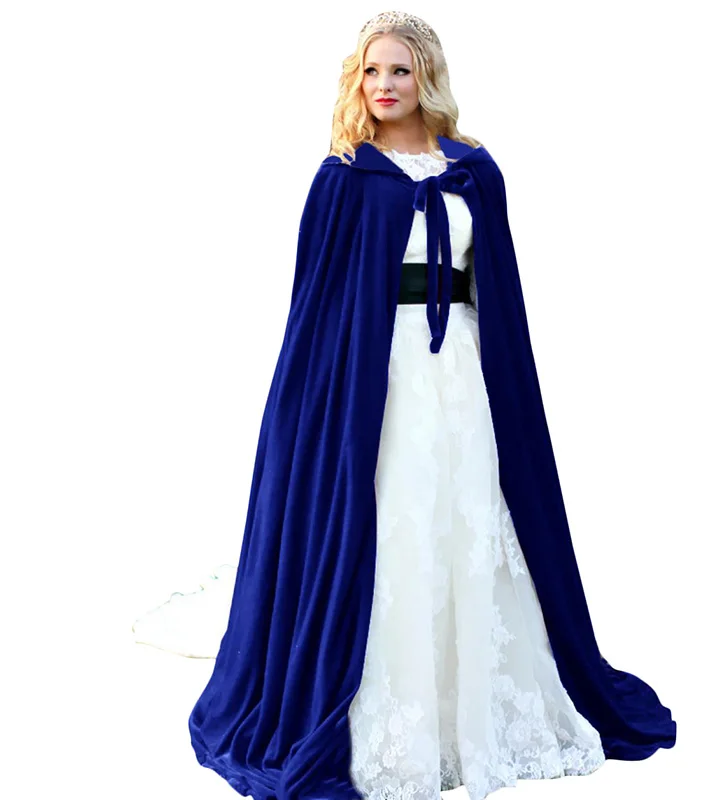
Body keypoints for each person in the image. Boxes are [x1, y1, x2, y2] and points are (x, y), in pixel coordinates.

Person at [133, 11, 676, 800]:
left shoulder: (475, 171)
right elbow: (317, 308)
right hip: (375, 377)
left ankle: (472, 710)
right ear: (356, 82)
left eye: (399, 71)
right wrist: (311, 407)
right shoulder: (343, 176)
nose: (383, 85)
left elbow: (498, 292)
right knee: (395, 517)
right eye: (371, 71)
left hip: (461, 373)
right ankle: (385, 706)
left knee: (466, 513)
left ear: (428, 78)